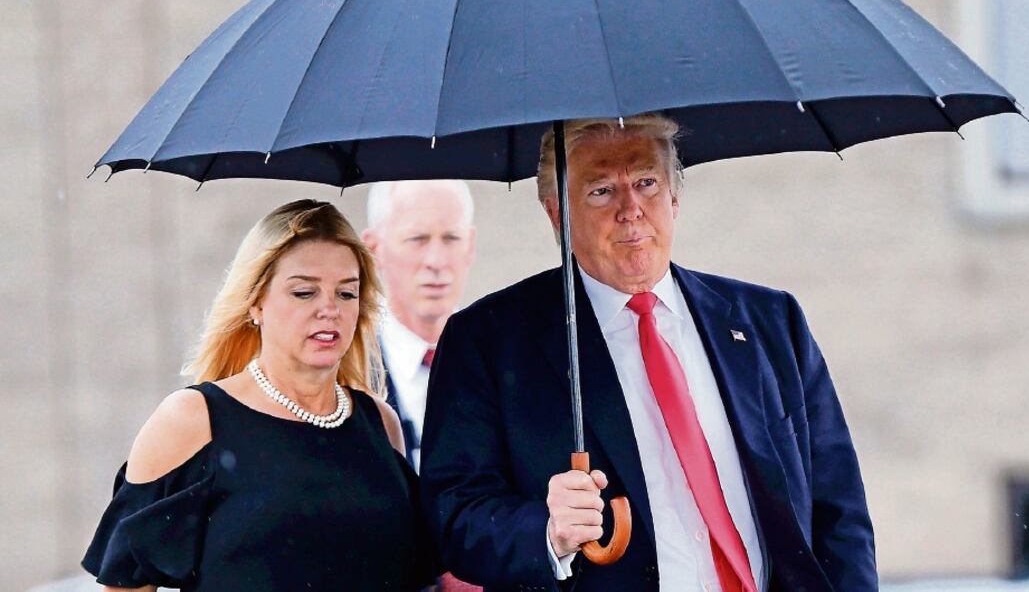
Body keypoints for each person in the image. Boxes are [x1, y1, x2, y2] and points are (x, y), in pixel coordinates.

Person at [419, 116, 877, 591]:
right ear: (558, 213)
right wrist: (548, 531)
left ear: (675, 198)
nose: (631, 209)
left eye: (646, 183)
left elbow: (839, 512)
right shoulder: (488, 341)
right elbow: (457, 517)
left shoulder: (768, 320)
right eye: (601, 191)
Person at [82, 200, 440, 591]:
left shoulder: (380, 423)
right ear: (256, 303)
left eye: (346, 294)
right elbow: (126, 585)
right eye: (304, 292)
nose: (329, 310)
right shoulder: (193, 420)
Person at [361, 180, 477, 472]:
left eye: (451, 238)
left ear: (470, 246)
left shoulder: (505, 359)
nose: (436, 261)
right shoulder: (344, 368)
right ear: (374, 249)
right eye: (417, 239)